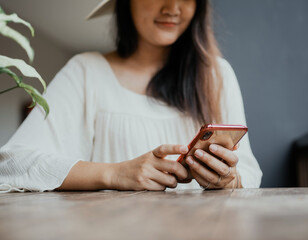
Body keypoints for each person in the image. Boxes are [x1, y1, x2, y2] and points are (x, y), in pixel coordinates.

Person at [0, 0, 262, 192]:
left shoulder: (217, 74)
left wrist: (230, 179)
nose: (173, 7)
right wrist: (115, 173)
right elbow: (12, 163)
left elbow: (249, 171)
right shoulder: (86, 71)